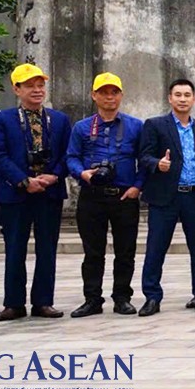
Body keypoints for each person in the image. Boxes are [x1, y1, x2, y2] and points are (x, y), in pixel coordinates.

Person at [0, 64, 70, 321]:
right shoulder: (2, 120)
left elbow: (69, 153)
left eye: (40, 85)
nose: (37, 90)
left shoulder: (59, 119)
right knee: (14, 248)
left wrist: (55, 175)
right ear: (16, 89)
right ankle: (13, 303)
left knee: (47, 248)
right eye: (30, 86)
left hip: (49, 192)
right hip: (15, 193)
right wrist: (23, 180)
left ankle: (43, 301)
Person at [66, 72, 144, 317]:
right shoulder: (82, 127)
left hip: (124, 195)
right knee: (93, 252)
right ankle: (92, 299)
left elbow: (145, 159)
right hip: (92, 195)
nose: (109, 97)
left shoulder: (135, 126)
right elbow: (71, 157)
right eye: (103, 92)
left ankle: (122, 297)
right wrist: (82, 173)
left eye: (114, 92)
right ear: (94, 95)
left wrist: (137, 186)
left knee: (125, 251)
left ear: (121, 95)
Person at [138, 77, 195, 315]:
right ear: (170, 98)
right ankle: (152, 296)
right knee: (156, 247)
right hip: (165, 196)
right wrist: (157, 164)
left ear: (194, 99)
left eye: (187, 95)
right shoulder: (155, 125)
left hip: (194, 195)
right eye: (178, 95)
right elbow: (144, 156)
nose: (182, 99)